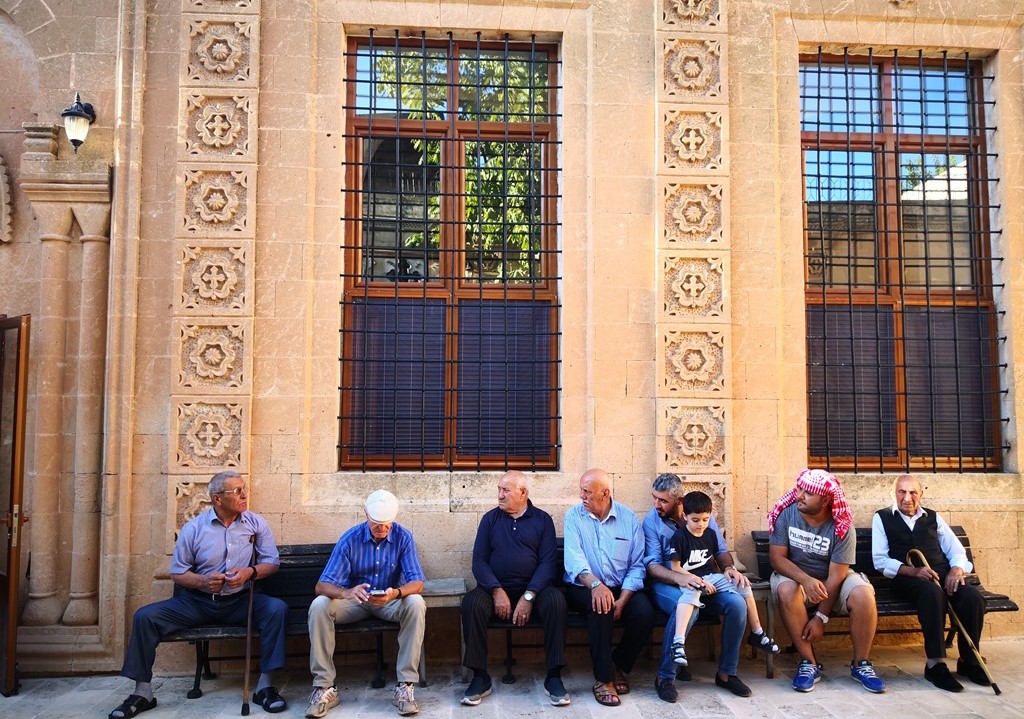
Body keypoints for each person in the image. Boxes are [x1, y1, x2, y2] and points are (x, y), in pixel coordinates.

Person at [108, 470, 288, 719]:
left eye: (243, 488)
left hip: (241, 601)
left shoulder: (255, 524)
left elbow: (272, 563)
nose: (244, 495)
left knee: (276, 609)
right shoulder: (194, 529)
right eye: (237, 491)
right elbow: (178, 573)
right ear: (217, 499)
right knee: (144, 617)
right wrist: (203, 581)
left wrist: (250, 572)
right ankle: (143, 692)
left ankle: (265, 687)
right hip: (196, 603)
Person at [306, 490, 426, 718]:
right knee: (320, 605)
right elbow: (321, 586)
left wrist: (395, 593)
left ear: (393, 519)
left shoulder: (403, 537)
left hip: (388, 601)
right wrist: (347, 591)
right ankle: (324, 687)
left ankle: (405, 686)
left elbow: (417, 582)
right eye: (376, 523)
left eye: (386, 524)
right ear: (366, 515)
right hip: (355, 602)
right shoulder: (350, 539)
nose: (381, 529)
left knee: (416, 602)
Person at [767, 468, 886, 694]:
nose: (799, 495)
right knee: (786, 590)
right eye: (799, 488)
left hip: (832, 579)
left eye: (808, 493)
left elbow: (837, 576)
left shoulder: (841, 526)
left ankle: (861, 664)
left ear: (825, 500)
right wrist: (806, 579)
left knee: (863, 593)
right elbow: (777, 559)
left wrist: (821, 618)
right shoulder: (787, 514)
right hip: (796, 576)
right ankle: (809, 663)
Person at [460, 471, 570, 707]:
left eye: (505, 490)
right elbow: (479, 561)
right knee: (471, 603)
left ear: (523, 493)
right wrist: (496, 590)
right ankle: (480, 677)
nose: (499, 495)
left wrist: (529, 596)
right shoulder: (490, 520)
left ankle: (554, 676)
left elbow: (548, 563)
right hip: (495, 589)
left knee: (556, 601)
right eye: (499, 489)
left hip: (534, 590)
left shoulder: (542, 520)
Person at [871, 475, 988, 692]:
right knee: (932, 594)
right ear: (894, 493)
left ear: (921, 494)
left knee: (973, 598)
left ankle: (970, 661)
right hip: (907, 580)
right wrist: (914, 571)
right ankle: (935, 664)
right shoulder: (882, 517)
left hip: (942, 576)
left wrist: (956, 570)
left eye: (913, 492)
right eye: (902, 492)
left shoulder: (933, 517)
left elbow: (956, 551)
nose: (907, 498)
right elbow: (880, 560)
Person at [665, 491, 778, 697]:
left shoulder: (709, 533)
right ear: (685, 517)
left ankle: (758, 633)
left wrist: (730, 570)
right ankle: (678, 643)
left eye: (706, 519)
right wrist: (695, 580)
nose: (701, 524)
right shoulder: (680, 537)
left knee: (742, 585)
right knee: (689, 596)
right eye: (696, 520)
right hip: (689, 578)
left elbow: (719, 555)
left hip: (711, 576)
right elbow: (675, 567)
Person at [563, 468, 655, 707]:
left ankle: (618, 665)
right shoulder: (574, 517)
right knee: (600, 606)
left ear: (605, 493)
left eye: (586, 492)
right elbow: (574, 561)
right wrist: (595, 585)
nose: (581, 496)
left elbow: (637, 565)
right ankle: (603, 679)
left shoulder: (629, 519)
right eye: (581, 490)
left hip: (621, 587)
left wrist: (623, 599)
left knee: (644, 613)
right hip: (583, 585)